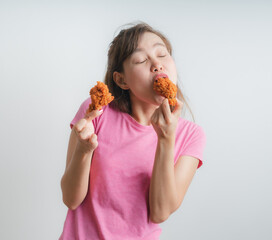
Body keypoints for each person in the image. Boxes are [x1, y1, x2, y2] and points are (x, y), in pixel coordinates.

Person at [59, 22, 206, 240]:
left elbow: (160, 212)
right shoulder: (96, 112)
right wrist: (83, 149)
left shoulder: (191, 135)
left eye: (162, 54)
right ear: (121, 80)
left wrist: (166, 139)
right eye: (141, 60)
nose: (157, 64)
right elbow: (71, 199)